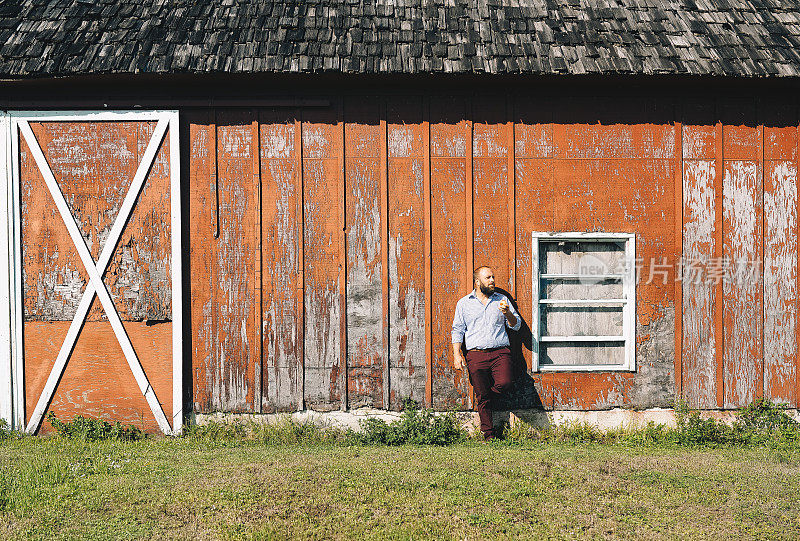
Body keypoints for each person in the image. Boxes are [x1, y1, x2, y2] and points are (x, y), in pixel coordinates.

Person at [451, 266, 521, 441]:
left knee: (504, 383)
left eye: (493, 277)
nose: (492, 281)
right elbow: (457, 330)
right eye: (488, 278)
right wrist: (457, 355)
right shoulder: (464, 303)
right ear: (477, 282)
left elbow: (516, 324)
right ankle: (489, 435)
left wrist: (507, 313)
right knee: (481, 395)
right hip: (475, 355)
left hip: (500, 353)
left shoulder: (502, 300)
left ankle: (486, 398)